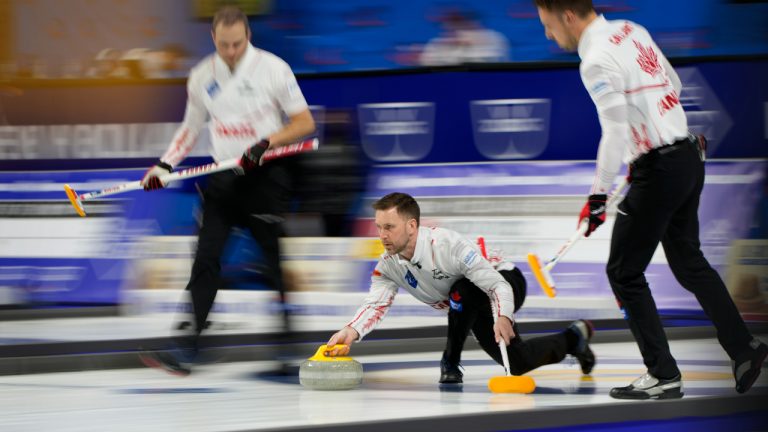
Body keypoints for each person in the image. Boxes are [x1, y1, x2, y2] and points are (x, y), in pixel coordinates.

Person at [533, 0, 767, 399]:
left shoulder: (593, 58)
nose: (547, 34)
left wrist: (597, 196)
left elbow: (614, 131)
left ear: (567, 15)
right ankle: (744, 348)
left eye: (548, 24)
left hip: (659, 169)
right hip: (687, 156)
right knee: (689, 263)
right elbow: (672, 86)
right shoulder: (630, 29)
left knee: (624, 272)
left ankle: (662, 374)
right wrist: (650, 138)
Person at [139, 6, 315, 375]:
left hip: (265, 177)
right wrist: (164, 165)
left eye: (237, 44)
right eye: (224, 45)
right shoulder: (202, 74)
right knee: (205, 259)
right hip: (223, 178)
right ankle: (187, 346)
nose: (231, 51)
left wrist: (265, 142)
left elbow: (304, 123)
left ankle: (286, 344)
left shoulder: (273, 68)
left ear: (248, 36)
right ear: (213, 39)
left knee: (272, 262)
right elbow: (190, 128)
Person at [326, 192, 595, 384]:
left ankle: (450, 362)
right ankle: (574, 338)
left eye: (389, 227)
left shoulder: (448, 245)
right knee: (517, 364)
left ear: (411, 226)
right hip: (467, 305)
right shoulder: (388, 265)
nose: (381, 235)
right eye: (378, 227)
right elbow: (376, 303)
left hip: (505, 280)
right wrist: (352, 330)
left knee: (461, 290)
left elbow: (496, 284)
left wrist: (503, 316)